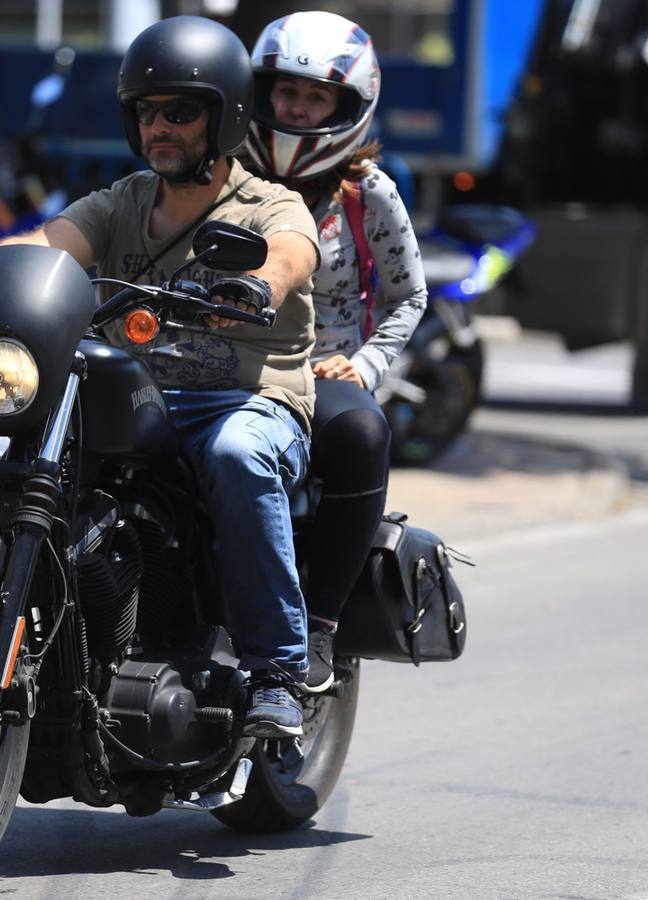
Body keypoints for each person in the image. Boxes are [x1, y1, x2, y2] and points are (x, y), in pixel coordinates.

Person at [0, 16, 323, 737]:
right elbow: (43, 245)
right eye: (145, 111)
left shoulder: (268, 204)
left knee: (239, 458)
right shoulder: (121, 204)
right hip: (135, 398)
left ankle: (278, 672)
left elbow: (290, 254)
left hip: (244, 400)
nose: (159, 126)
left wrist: (258, 283)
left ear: (224, 117)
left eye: (179, 111)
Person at [245, 11, 428, 692]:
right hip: (220, 362)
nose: (295, 108)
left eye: (314, 97)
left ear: (346, 107)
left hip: (321, 373)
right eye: (285, 92)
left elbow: (411, 296)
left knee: (358, 430)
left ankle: (318, 626)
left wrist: (366, 364)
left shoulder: (367, 191)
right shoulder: (223, 172)